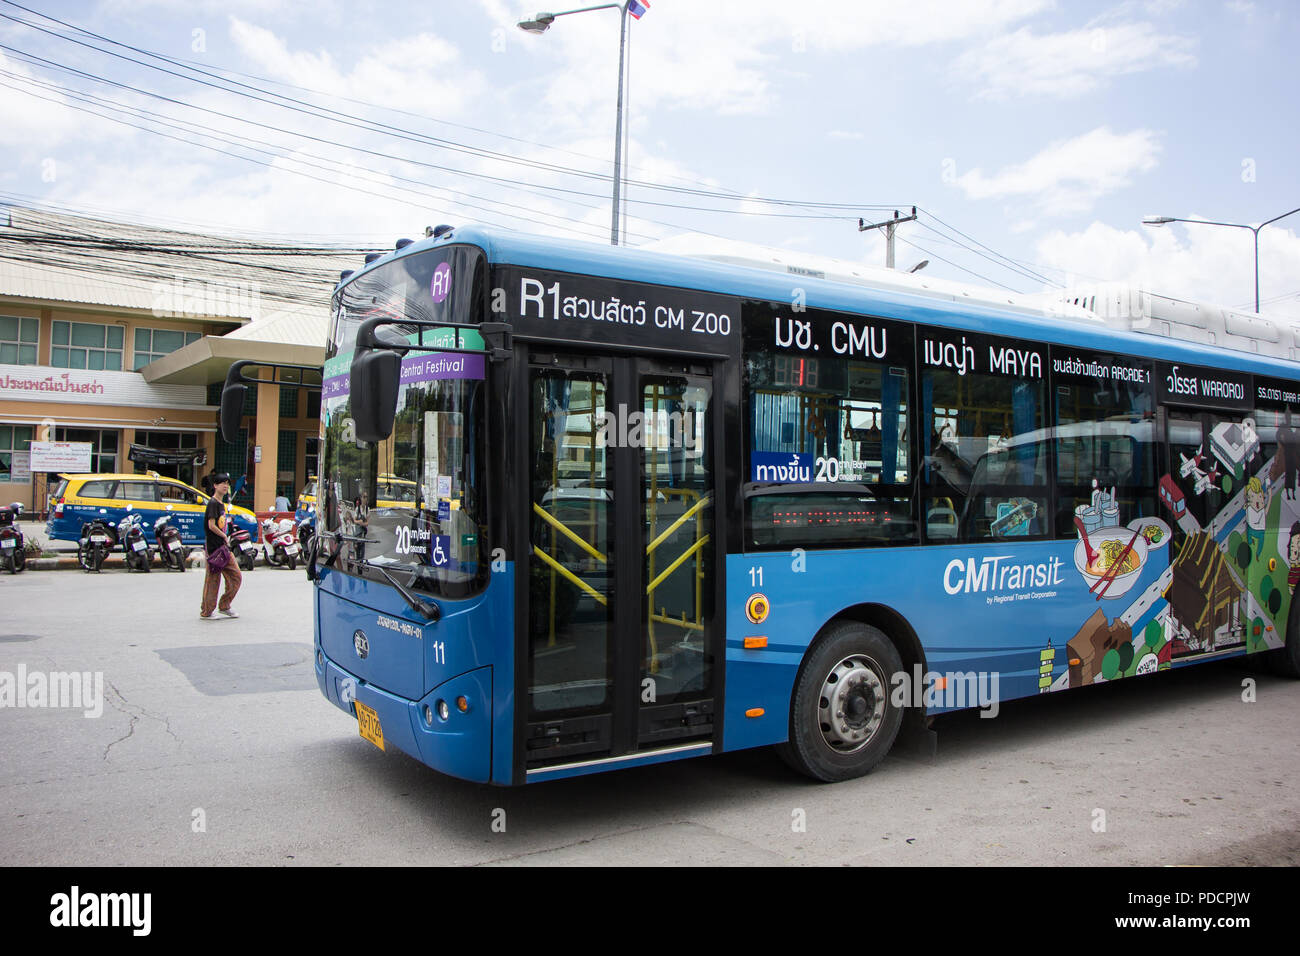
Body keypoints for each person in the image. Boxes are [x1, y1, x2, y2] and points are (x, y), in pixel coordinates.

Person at [201, 472, 242, 620]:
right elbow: (211, 525)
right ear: (215, 486)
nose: (225, 486)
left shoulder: (221, 504)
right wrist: (224, 536)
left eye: (227, 483)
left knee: (236, 576)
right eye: (222, 483)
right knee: (213, 580)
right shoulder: (213, 503)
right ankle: (207, 611)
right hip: (214, 548)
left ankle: (225, 605)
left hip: (224, 548)